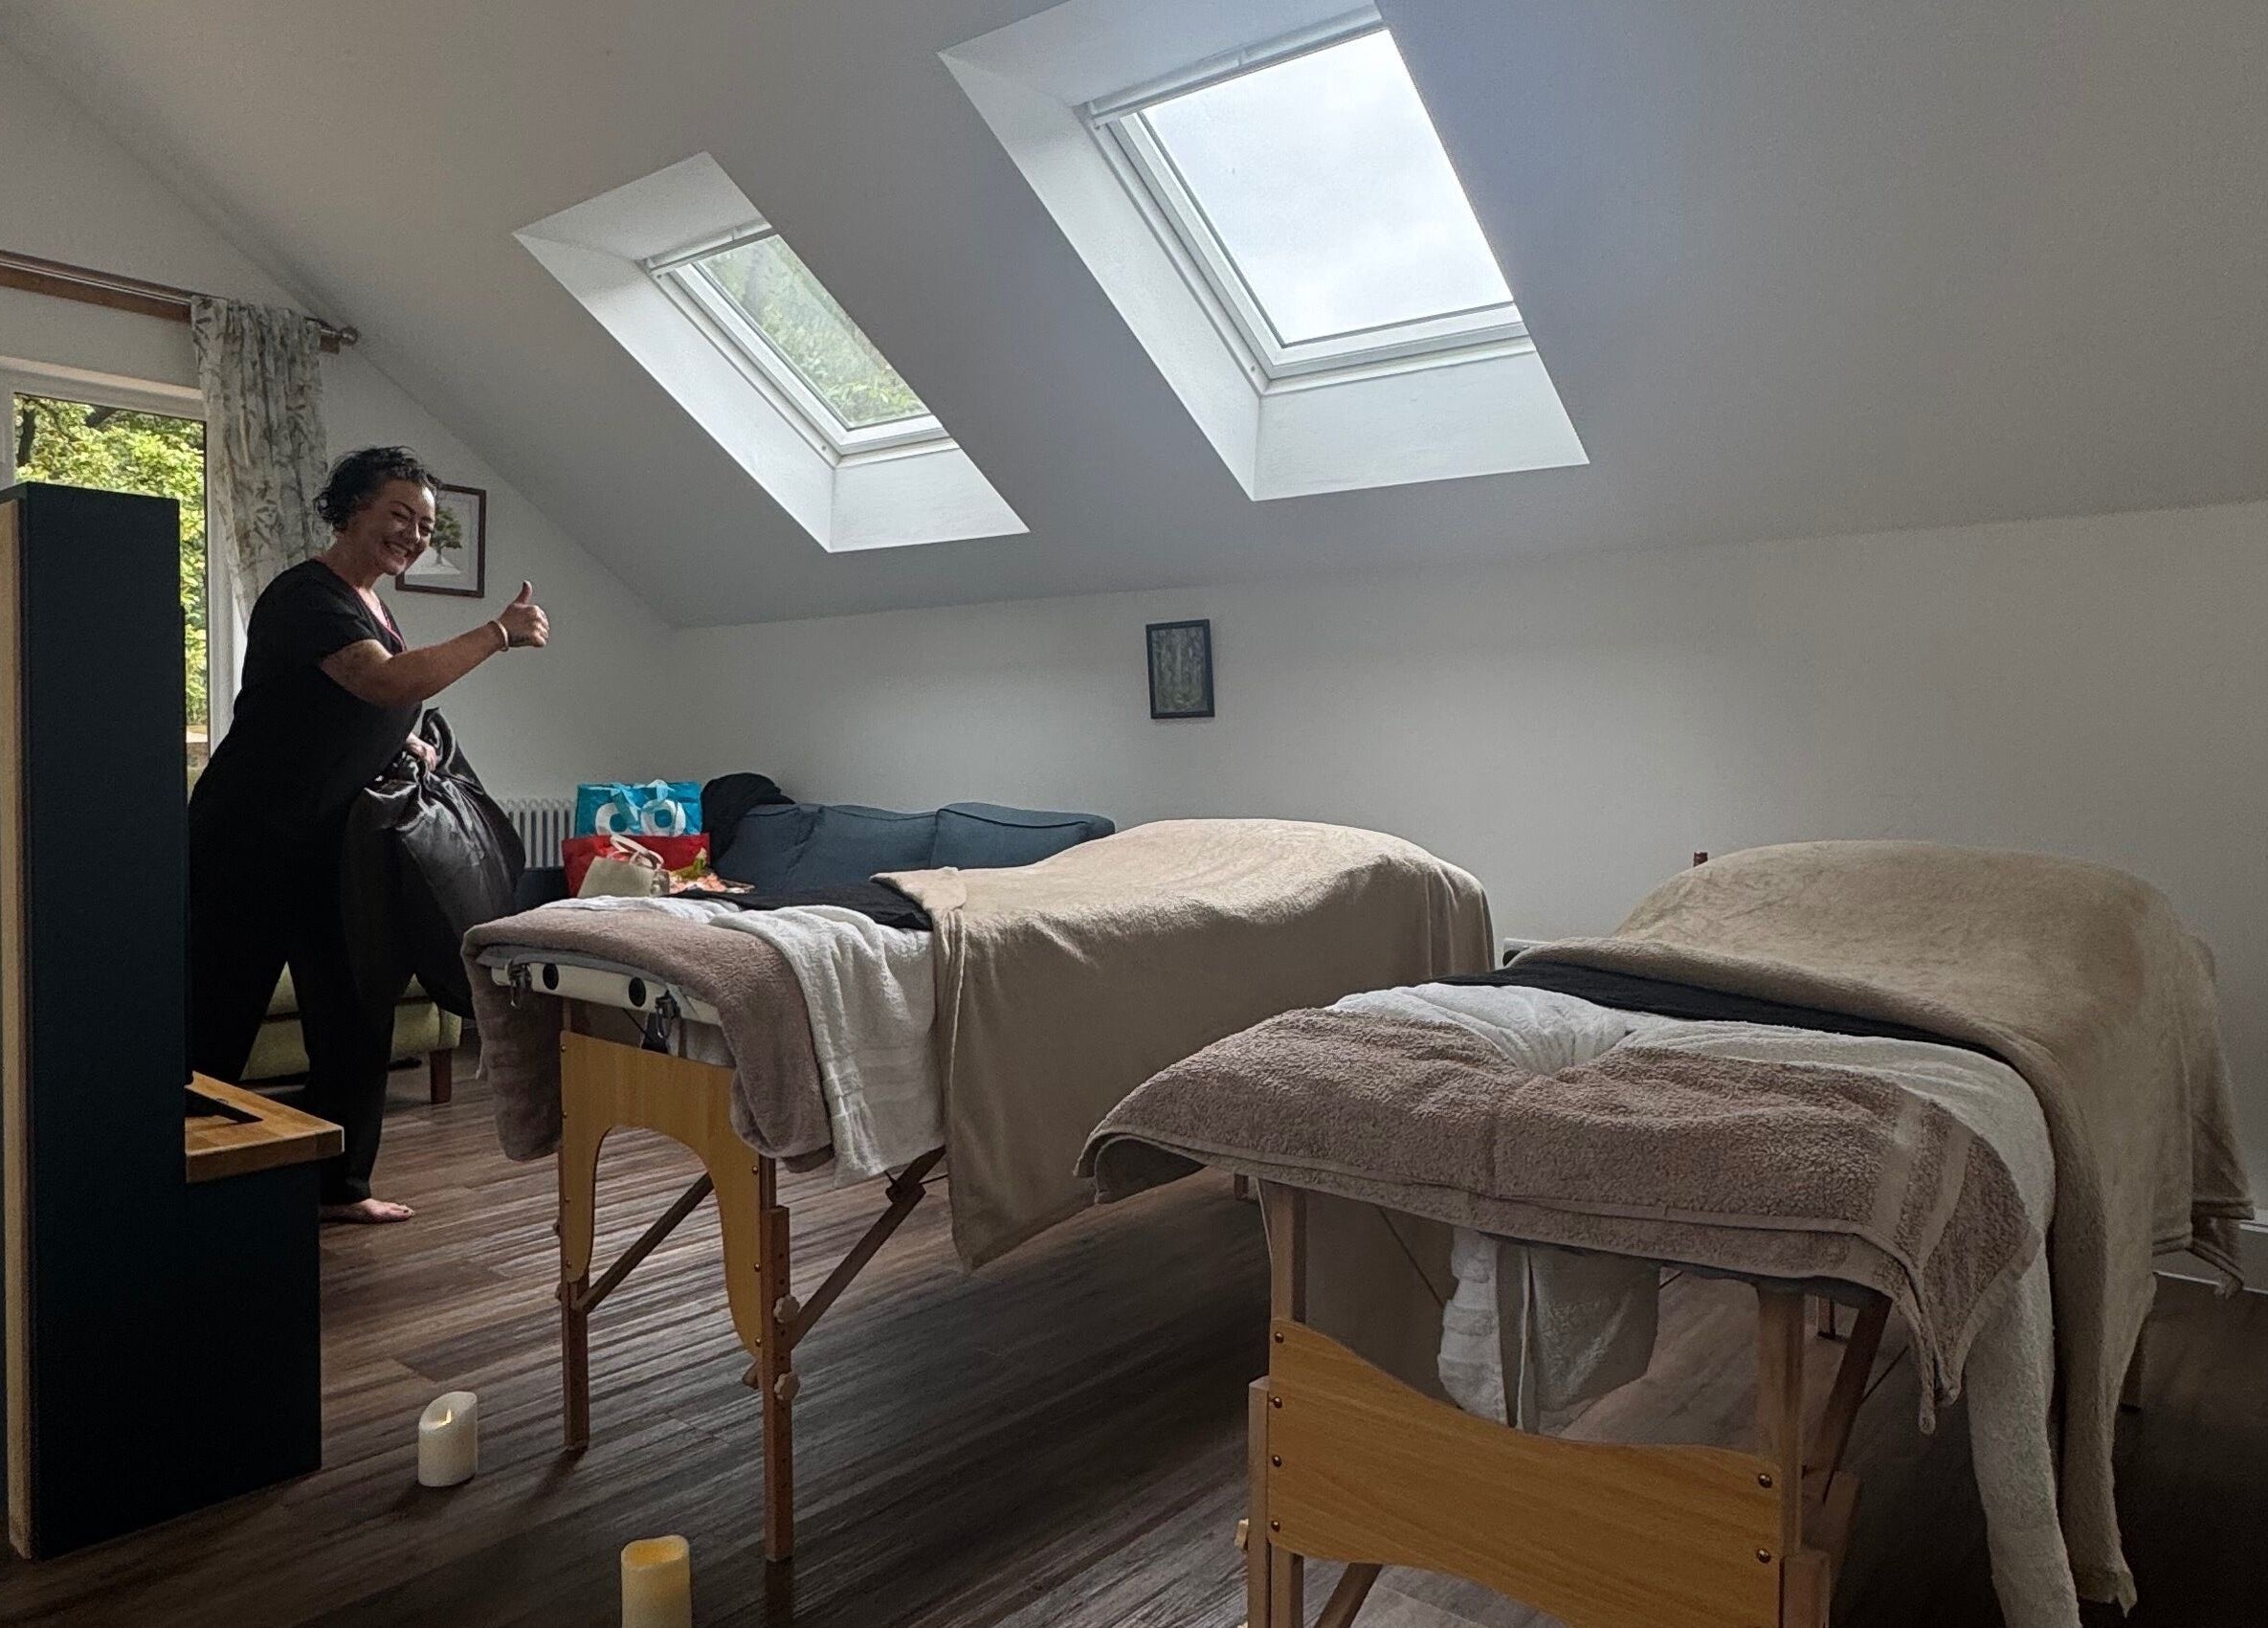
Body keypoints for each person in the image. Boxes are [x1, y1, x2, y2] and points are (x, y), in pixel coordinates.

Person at [189, 447, 550, 1223]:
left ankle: (340, 1187)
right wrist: (497, 632)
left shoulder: (371, 605)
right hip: (248, 843)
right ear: (352, 507)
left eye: (424, 525)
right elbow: (382, 680)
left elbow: (356, 707)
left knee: (356, 1013)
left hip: (334, 847)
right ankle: (171, 1177)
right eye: (400, 515)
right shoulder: (305, 596)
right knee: (214, 1019)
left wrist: (406, 742)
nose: (413, 534)